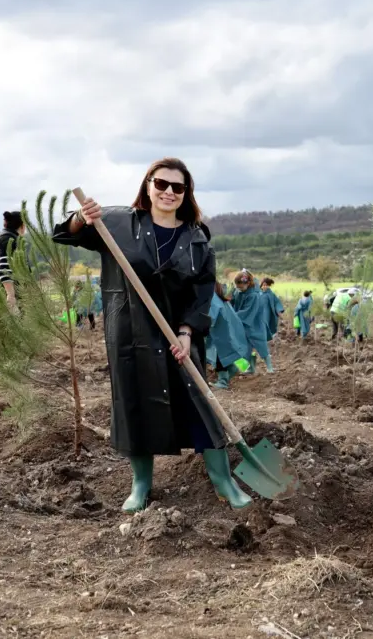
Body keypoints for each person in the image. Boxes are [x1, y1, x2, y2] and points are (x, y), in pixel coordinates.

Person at [52, 157, 251, 513]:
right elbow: (65, 233)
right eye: (161, 184)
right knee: (135, 405)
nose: (169, 192)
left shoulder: (196, 237)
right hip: (131, 335)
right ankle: (141, 484)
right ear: (148, 185)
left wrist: (188, 331)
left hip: (179, 336)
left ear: (186, 193)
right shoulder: (116, 223)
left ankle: (223, 480)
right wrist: (82, 218)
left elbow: (203, 289)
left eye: (178, 187)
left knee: (200, 403)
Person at [206, 282, 251, 389]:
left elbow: (211, 318)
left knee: (221, 356)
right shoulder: (219, 297)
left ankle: (223, 382)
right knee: (231, 352)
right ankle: (241, 368)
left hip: (221, 333)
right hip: (228, 330)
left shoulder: (213, 299)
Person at [231, 270, 273, 373]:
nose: (238, 289)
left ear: (248, 283)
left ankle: (270, 368)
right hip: (243, 323)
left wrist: (232, 316)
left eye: (240, 287)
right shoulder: (238, 291)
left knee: (261, 344)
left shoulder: (253, 295)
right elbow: (231, 301)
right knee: (244, 347)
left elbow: (247, 311)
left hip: (255, 323)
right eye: (237, 287)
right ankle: (248, 368)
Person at [0, 211, 25, 310]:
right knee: (18, 324)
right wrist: (10, 294)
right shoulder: (8, 239)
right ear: (22, 225)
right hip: (4, 290)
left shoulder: (3, 236)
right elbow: (5, 266)